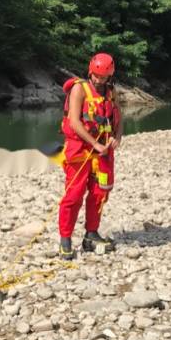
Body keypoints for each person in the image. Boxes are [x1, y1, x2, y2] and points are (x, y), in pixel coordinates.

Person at [57, 53, 122, 258]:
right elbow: (75, 121)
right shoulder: (79, 89)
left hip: (103, 152)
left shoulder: (112, 92)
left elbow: (119, 119)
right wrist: (94, 143)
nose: (99, 80)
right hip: (80, 150)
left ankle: (91, 234)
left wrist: (117, 137)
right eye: (96, 76)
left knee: (99, 194)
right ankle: (65, 238)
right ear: (90, 71)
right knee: (74, 195)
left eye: (103, 77)